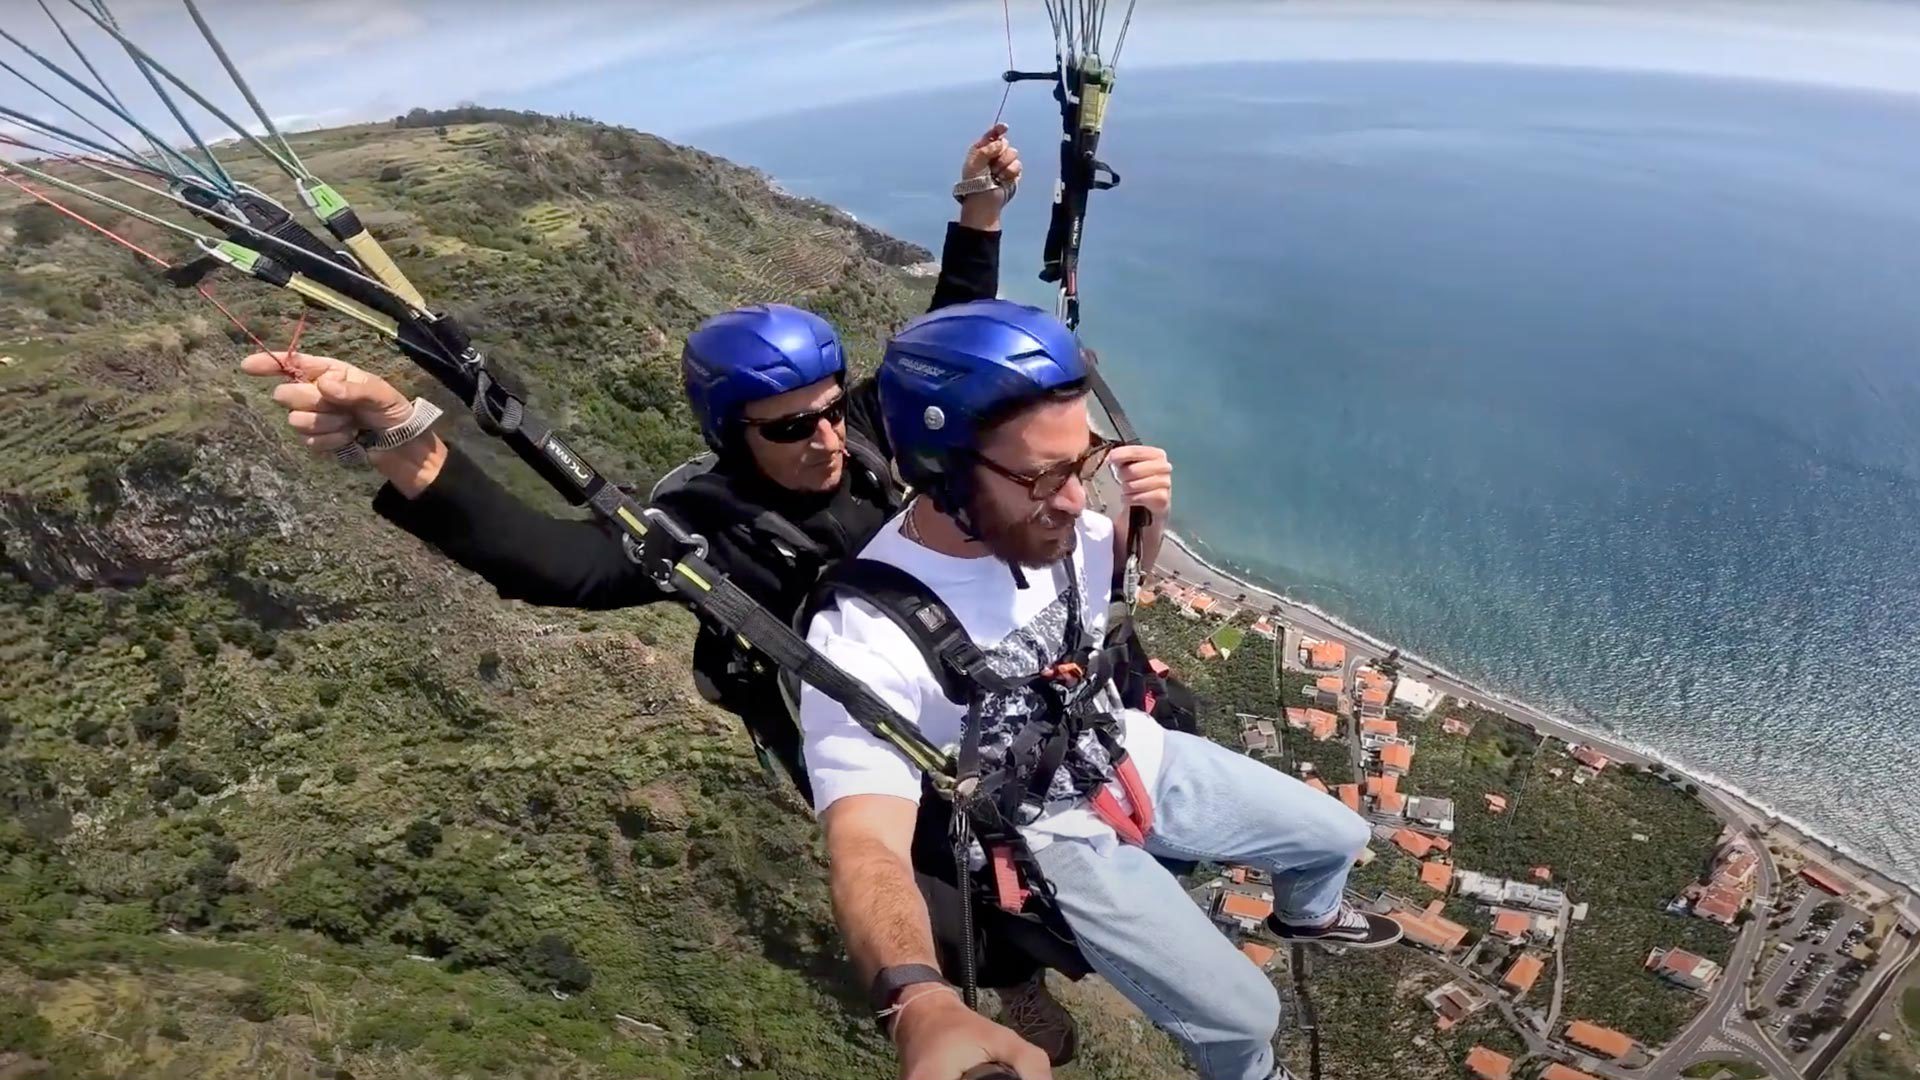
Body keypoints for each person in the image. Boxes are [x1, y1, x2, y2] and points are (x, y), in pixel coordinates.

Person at [243, 127, 1093, 1066]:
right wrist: (402, 433)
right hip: (866, 726)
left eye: (829, 405)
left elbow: (952, 350)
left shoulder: (868, 436)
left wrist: (978, 212)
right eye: (790, 426)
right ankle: (1014, 985)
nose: (825, 439)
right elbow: (554, 564)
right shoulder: (705, 526)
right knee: (940, 880)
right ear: (736, 434)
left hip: (963, 675)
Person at [797, 299, 1404, 1080]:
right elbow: (865, 844)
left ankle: (1308, 914)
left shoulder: (1067, 527)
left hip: (1127, 750)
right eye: (1045, 475)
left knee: (1339, 838)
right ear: (945, 471)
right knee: (1248, 1015)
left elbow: (1111, 595)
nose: (1078, 499)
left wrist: (1146, 522)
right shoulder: (867, 635)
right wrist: (919, 997)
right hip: (1049, 832)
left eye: (1084, 461)